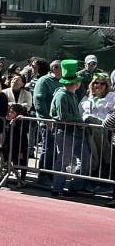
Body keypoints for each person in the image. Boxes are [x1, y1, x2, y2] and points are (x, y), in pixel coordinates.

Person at [50, 60, 84, 197]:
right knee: (63, 160)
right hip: (64, 132)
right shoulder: (62, 96)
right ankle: (57, 188)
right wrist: (80, 121)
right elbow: (64, 116)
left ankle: (67, 186)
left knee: (76, 159)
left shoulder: (71, 95)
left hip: (71, 132)